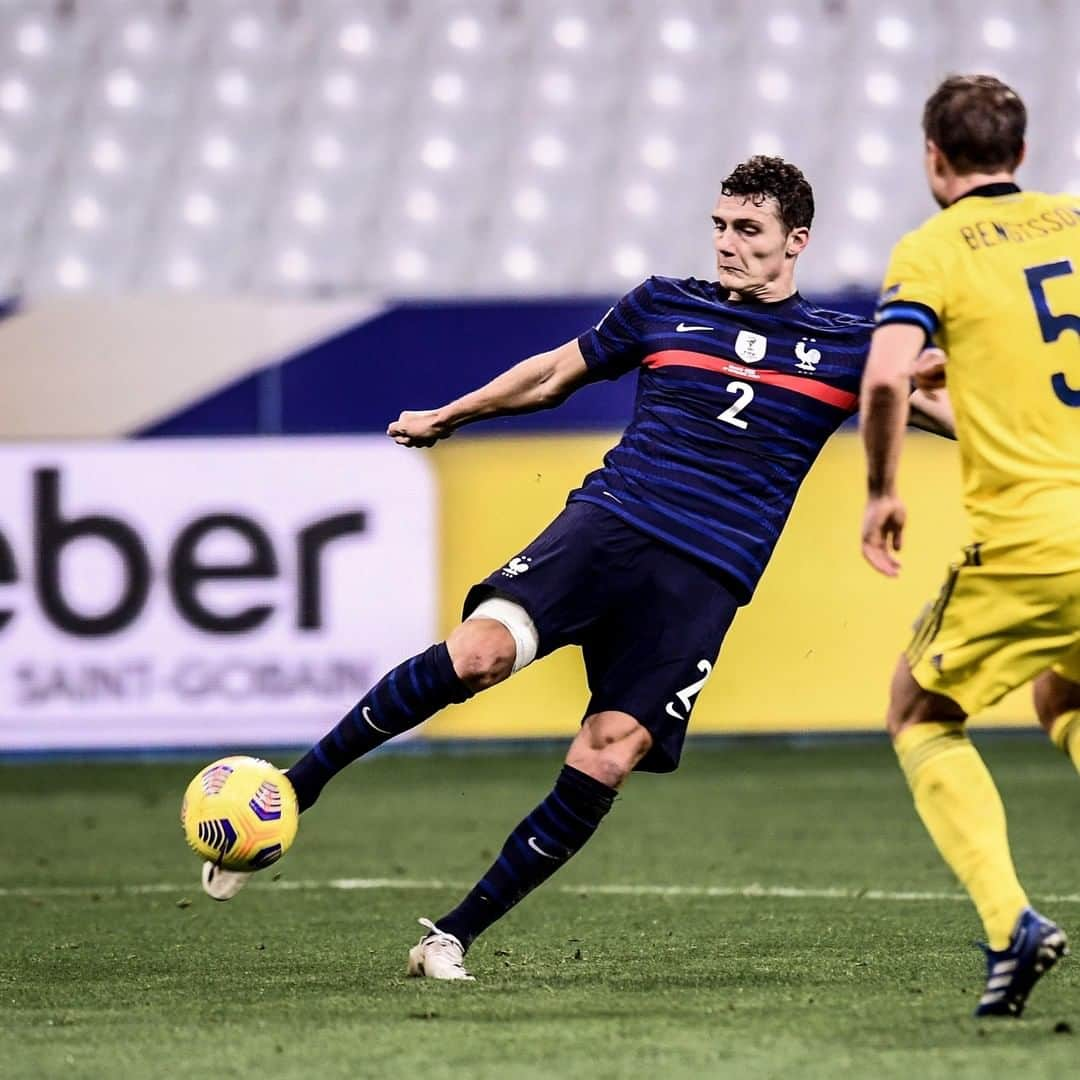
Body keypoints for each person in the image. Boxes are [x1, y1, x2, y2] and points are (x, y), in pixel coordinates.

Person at [201, 156, 952, 980]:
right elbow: (555, 375)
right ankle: (297, 787)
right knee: (476, 655)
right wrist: (452, 415)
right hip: (609, 528)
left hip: (705, 579)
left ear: (795, 242)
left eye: (748, 230)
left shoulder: (849, 347)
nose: (728, 244)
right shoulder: (665, 305)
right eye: (720, 226)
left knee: (610, 750)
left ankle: (448, 937)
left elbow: (953, 409)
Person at [859, 74, 1079, 1018]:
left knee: (920, 709)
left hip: (1035, 539)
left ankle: (1010, 923)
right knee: (1063, 691)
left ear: (934, 159)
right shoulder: (1073, 219)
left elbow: (883, 382)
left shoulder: (933, 250)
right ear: (1022, 156)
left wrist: (880, 492)